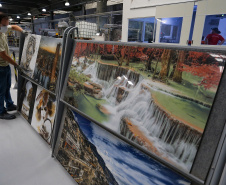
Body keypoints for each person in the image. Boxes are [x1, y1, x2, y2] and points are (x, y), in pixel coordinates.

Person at [0, 13, 25, 120]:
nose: (9, 22)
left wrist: (24, 32)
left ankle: (9, 104)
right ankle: (1, 112)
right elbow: (2, 54)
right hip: (0, 66)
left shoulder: (3, 29)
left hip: (4, 66)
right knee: (1, 90)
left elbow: (14, 27)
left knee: (7, 87)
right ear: (1, 21)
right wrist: (16, 64)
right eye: (7, 20)